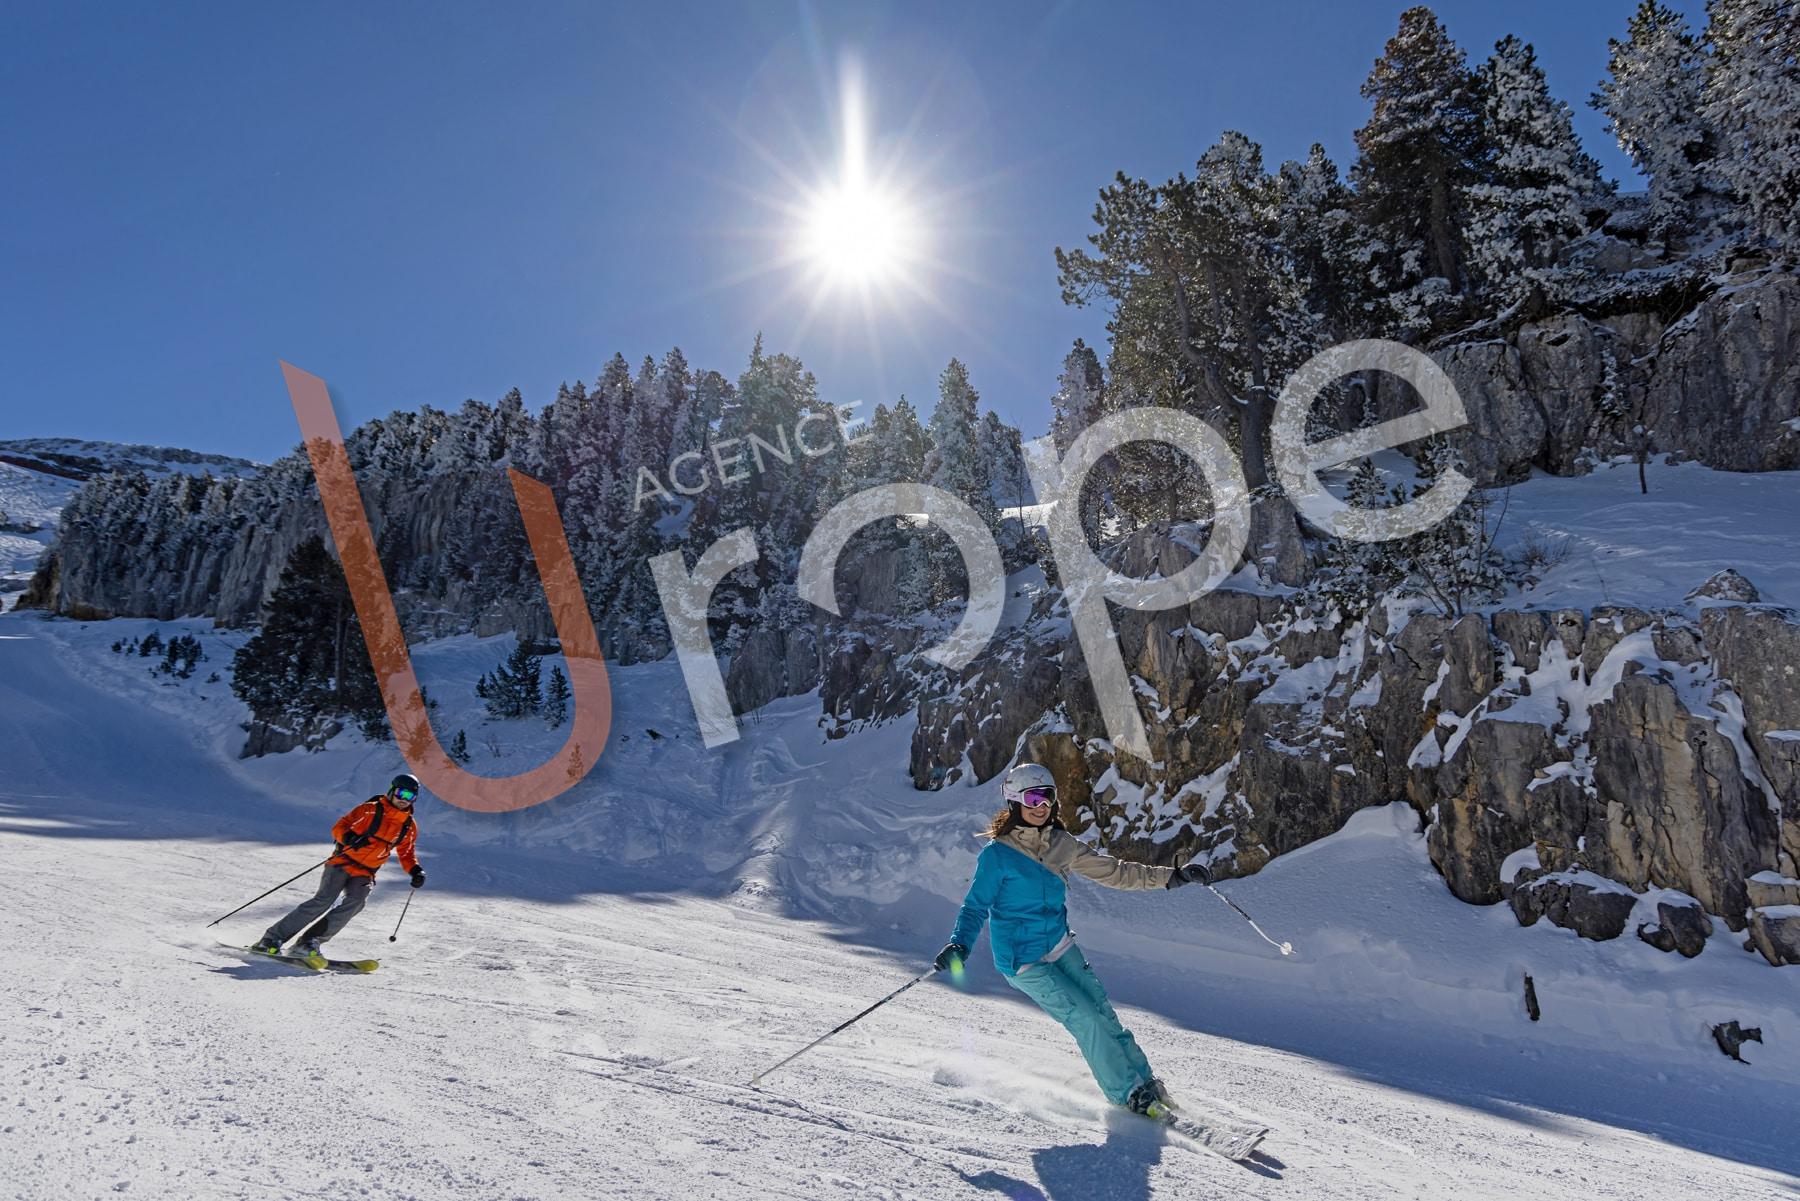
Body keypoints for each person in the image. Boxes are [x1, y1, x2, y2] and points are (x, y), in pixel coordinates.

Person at [934, 762, 1212, 1118]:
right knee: (1085, 1020)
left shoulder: (1061, 845)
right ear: (1015, 802)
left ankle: (1145, 1083)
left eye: (1047, 797)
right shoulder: (997, 856)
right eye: (1033, 798)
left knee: (1103, 1015)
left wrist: (1172, 877)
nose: (1041, 806)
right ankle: (1127, 1093)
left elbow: (1115, 871)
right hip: (1024, 961)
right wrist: (960, 943)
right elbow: (975, 908)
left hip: (1060, 945)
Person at [252, 772, 427, 963]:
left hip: (365, 872)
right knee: (323, 901)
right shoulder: (369, 810)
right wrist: (349, 839)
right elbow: (340, 826)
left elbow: (406, 852)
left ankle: (308, 943)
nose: (404, 800)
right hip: (343, 863)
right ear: (392, 791)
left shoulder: (409, 826)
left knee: (356, 903)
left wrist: (415, 870)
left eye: (410, 797)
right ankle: (270, 939)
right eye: (401, 794)